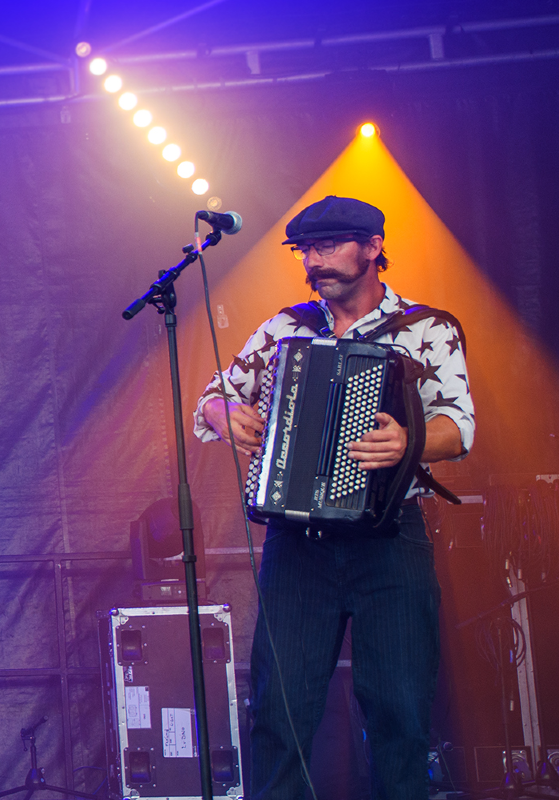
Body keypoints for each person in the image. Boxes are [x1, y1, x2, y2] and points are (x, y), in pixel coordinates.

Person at [196, 195, 473, 799]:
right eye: (305, 251)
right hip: (298, 545)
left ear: (373, 248)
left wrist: (409, 440)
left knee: (398, 712)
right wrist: (225, 414)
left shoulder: (427, 328)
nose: (313, 262)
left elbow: (460, 424)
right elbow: (215, 393)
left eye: (327, 247)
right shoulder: (283, 328)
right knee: (280, 710)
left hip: (388, 541)